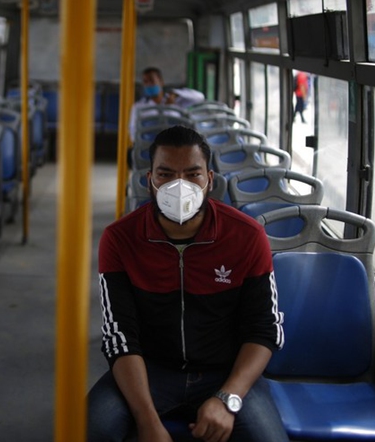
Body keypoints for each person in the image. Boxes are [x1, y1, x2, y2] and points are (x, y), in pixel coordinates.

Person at [88, 125, 287, 442]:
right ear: (149, 180)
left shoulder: (246, 236)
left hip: (225, 372)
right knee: (89, 428)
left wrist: (228, 399)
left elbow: (264, 329)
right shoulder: (121, 239)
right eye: (165, 175)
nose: (179, 186)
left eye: (192, 175)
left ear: (210, 180)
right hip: (150, 370)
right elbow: (120, 335)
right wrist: (147, 420)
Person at [129, 67, 205, 138]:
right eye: (145, 81)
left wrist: (175, 94)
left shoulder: (177, 101)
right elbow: (133, 129)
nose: (149, 84)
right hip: (150, 144)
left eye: (152, 80)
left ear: (161, 82)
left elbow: (199, 97)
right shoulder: (139, 106)